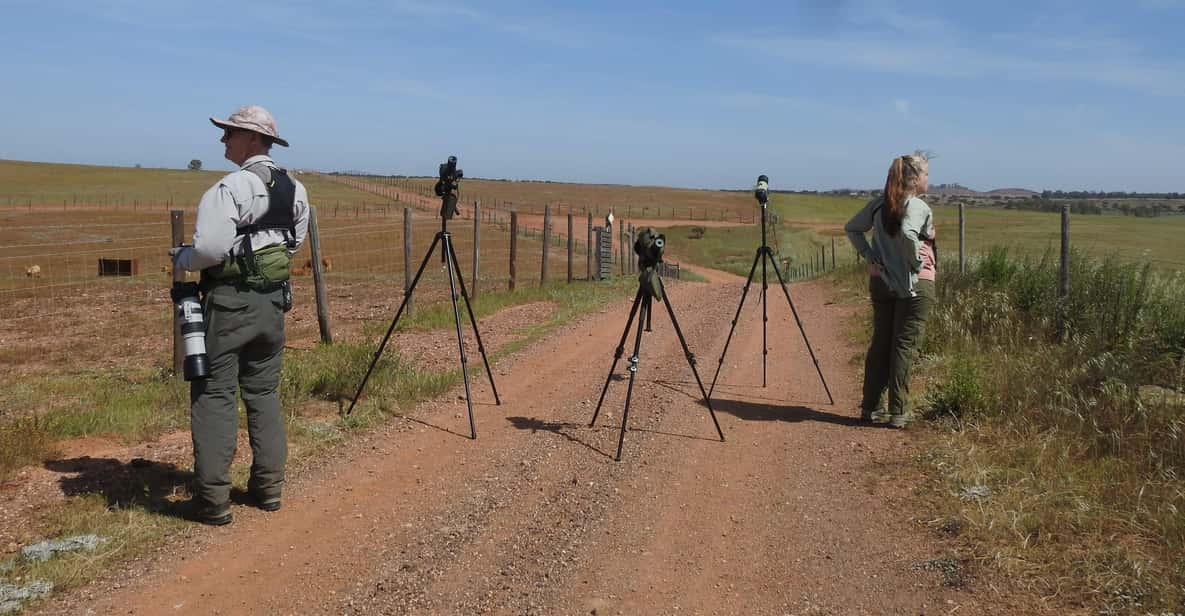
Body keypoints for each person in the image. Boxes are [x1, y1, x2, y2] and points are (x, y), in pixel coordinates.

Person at [171, 105, 309, 525]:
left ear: (252, 138)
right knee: (264, 395)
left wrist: (183, 256)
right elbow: (294, 244)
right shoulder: (296, 189)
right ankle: (268, 490)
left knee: (214, 396)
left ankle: (212, 502)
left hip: (228, 304)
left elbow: (210, 250)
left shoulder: (230, 188)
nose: (223, 140)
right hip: (272, 305)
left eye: (229, 133)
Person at [844, 152, 935, 428]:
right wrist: (915, 261)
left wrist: (871, 256)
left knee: (881, 343)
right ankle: (899, 411)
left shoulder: (878, 204)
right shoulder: (917, 205)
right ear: (915, 178)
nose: (929, 179)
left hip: (881, 281)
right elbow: (909, 233)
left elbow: (852, 228)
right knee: (903, 345)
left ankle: (870, 407)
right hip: (916, 284)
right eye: (927, 174)